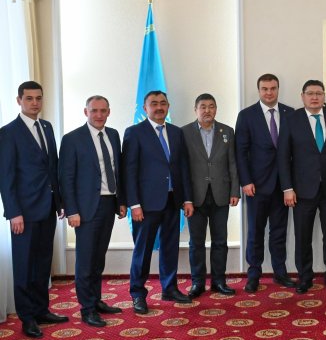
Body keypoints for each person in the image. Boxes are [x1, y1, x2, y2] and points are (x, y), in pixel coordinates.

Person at [0, 81, 66, 338]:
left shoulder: (47, 127)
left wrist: (59, 202)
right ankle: (27, 318)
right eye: (29, 98)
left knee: (42, 262)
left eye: (38, 98)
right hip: (23, 213)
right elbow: (6, 177)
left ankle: (41, 310)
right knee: (24, 266)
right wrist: (13, 212)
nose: (35, 103)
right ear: (19, 100)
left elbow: (53, 168)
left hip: (48, 208)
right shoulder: (8, 132)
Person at [123, 90, 193, 314]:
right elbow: (129, 170)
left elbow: (183, 167)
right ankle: (137, 293)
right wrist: (134, 204)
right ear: (145, 108)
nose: (159, 107)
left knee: (170, 247)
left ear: (168, 106)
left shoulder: (176, 132)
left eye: (163, 103)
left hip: (173, 200)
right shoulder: (134, 133)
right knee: (143, 250)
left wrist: (187, 199)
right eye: (154, 103)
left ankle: (169, 288)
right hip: (146, 204)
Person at [59, 95, 126, 327]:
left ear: (109, 112)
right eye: (94, 110)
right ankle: (87, 308)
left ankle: (96, 300)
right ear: (85, 112)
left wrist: (121, 201)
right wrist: (71, 210)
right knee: (86, 261)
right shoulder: (72, 139)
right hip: (85, 208)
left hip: (108, 204)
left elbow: (118, 170)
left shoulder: (114, 135)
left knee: (98, 258)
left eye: (103, 110)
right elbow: (66, 178)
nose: (99, 115)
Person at [278, 80, 326, 293]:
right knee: (303, 236)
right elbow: (283, 156)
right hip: (301, 190)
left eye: (319, 93)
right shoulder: (291, 119)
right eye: (310, 93)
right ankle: (305, 277)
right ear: (302, 96)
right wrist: (287, 188)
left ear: (324, 96)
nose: (314, 97)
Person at [235, 74, 296, 293]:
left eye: (273, 88)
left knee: (279, 232)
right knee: (255, 232)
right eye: (265, 89)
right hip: (256, 186)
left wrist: (291, 185)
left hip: (283, 185)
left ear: (278, 89)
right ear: (259, 90)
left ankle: (280, 272)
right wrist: (245, 181)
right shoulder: (246, 115)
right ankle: (254, 274)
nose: (269, 92)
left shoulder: (290, 113)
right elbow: (240, 152)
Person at [182, 93, 240, 298]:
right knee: (196, 243)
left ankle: (219, 281)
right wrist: (185, 197)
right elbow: (182, 167)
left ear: (216, 109)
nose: (207, 110)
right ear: (195, 109)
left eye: (211, 106)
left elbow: (233, 163)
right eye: (203, 106)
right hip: (195, 197)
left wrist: (235, 191)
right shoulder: (184, 132)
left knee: (220, 241)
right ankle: (197, 283)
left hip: (221, 194)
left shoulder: (227, 131)